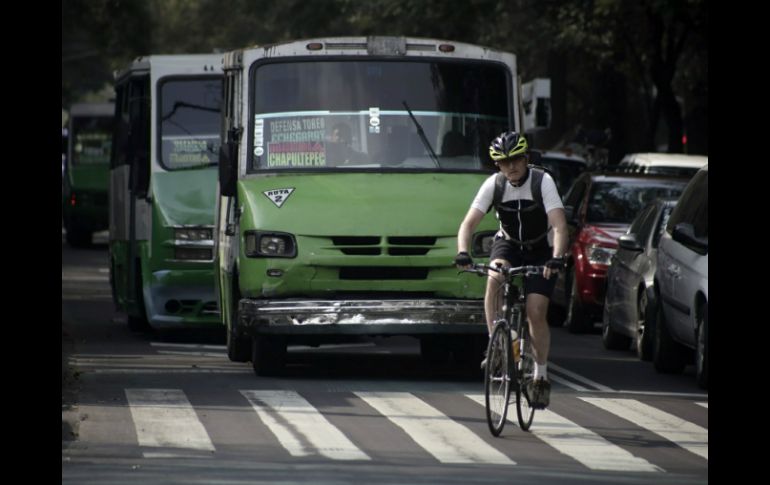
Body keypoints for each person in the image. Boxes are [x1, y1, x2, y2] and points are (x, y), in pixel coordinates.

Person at [454, 131, 567, 409]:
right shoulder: (495, 184)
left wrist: (556, 258)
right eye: (504, 162)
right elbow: (468, 224)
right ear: (498, 165)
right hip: (509, 244)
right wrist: (463, 253)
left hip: (541, 248)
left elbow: (559, 225)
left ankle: (540, 375)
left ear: (526, 158)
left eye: (515, 159)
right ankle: (496, 343)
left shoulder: (543, 181)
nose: (511, 167)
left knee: (535, 311)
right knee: (494, 275)